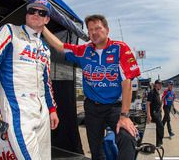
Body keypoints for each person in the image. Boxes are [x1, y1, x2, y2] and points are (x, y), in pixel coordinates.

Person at [43, 14, 141, 160]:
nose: (94, 32)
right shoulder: (84, 50)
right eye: (90, 30)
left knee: (127, 137)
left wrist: (124, 116)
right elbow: (59, 46)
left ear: (107, 30)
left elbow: (127, 81)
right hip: (92, 108)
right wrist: (42, 27)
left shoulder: (120, 48)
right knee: (96, 150)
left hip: (115, 107)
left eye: (98, 28)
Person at [0, 0, 59, 160]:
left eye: (41, 12)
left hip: (42, 110)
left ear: (47, 19)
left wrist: (52, 109)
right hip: (19, 111)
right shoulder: (9, 31)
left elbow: (46, 82)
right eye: (32, 11)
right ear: (27, 14)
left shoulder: (45, 47)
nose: (36, 14)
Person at [146, 79, 164, 147]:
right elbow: (148, 104)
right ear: (156, 84)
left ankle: (158, 142)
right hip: (154, 113)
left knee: (158, 128)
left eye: (161, 84)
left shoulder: (157, 92)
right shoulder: (152, 92)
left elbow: (157, 103)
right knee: (161, 127)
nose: (161, 85)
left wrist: (160, 107)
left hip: (158, 112)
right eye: (159, 84)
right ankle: (159, 142)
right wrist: (148, 115)